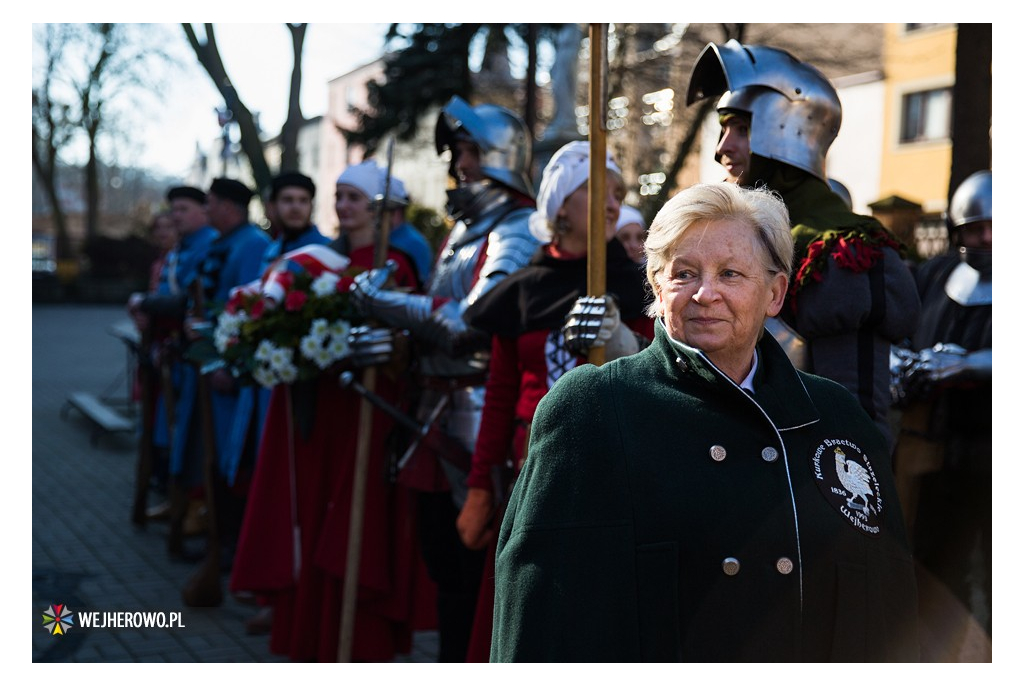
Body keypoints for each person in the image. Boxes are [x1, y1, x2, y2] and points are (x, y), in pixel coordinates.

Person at [491, 182, 919, 662]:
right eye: (684, 273)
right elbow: (538, 620)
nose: (705, 293)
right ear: (656, 285)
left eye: (731, 274)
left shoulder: (836, 419)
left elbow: (887, 607)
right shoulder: (590, 410)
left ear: (775, 293)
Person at [349, 95, 539, 662]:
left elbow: (471, 322)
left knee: (475, 564)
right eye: (457, 152)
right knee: (443, 565)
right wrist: (391, 337)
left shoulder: (517, 227)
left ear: (497, 157)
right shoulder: (464, 231)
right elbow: (435, 313)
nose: (459, 164)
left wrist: (381, 302)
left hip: (478, 412)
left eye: (468, 151)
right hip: (435, 408)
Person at [456, 140, 653, 661]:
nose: (613, 203)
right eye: (597, 190)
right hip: (529, 470)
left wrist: (626, 346)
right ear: (562, 204)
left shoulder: (642, 287)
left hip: (617, 473)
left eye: (619, 193)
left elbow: (664, 382)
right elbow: (498, 397)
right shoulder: (524, 288)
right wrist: (479, 486)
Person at [229, 165, 433, 662]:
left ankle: (357, 648)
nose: (343, 207)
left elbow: (411, 344)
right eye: (339, 197)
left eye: (354, 199)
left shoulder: (397, 264)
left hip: (366, 411)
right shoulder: (311, 260)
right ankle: (309, 638)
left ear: (381, 210)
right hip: (317, 410)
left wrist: (384, 346)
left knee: (354, 525)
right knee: (311, 515)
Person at [686, 40, 921, 449]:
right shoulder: (729, 231)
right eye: (723, 129)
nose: (723, 148)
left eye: (740, 129)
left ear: (788, 130)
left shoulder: (840, 252)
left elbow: (851, 421)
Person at [891, 170, 992, 645]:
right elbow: (899, 333)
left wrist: (966, 365)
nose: (986, 237)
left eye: (997, 226)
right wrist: (905, 366)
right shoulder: (936, 274)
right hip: (938, 456)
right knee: (934, 576)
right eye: (975, 228)